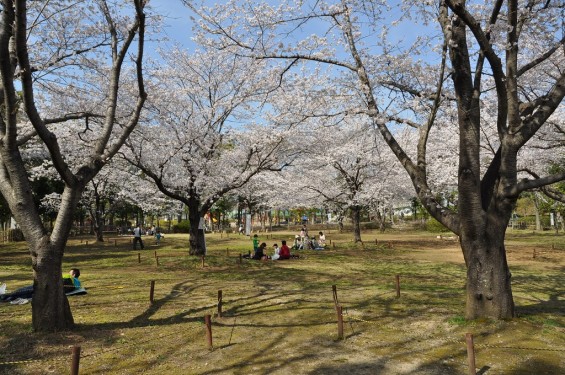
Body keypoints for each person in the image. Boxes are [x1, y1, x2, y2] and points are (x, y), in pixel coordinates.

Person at [1, 268, 85, 303]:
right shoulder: (78, 284)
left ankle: (4, 296)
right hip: (50, 289)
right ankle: (5, 298)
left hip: (46, 286)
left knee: (23, 290)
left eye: (70, 272)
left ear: (73, 274)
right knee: (25, 294)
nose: (68, 272)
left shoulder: (69, 278)